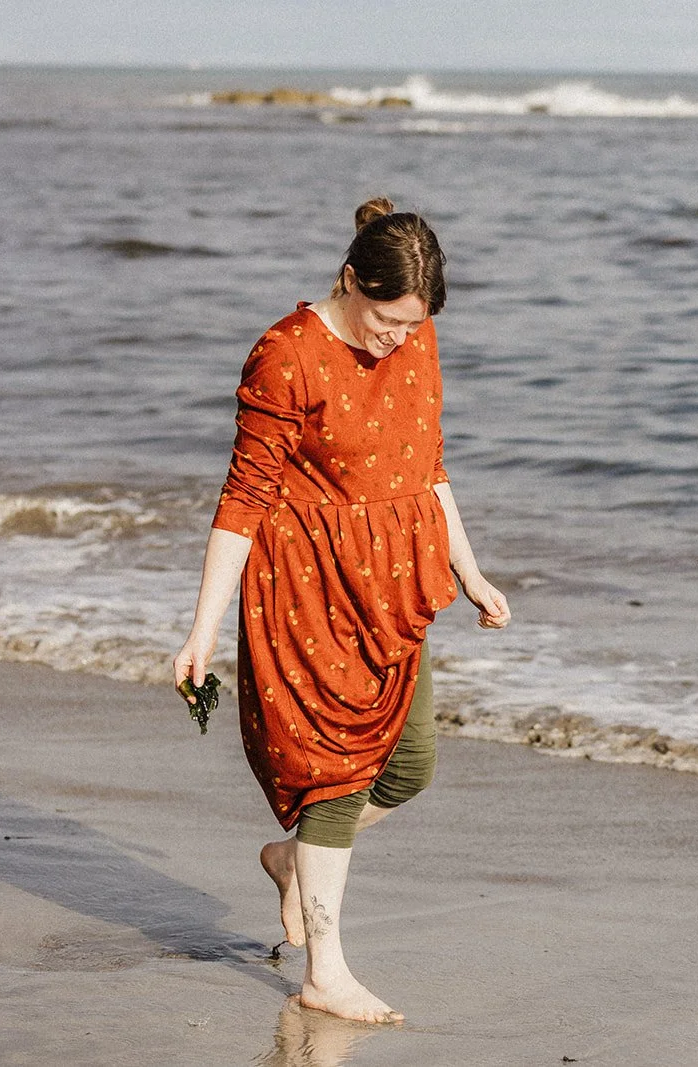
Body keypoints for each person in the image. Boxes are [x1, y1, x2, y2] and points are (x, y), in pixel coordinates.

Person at [173, 197, 510, 1024]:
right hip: (307, 590)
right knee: (334, 774)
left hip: (395, 583)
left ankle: (295, 861)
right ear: (350, 280)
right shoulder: (284, 356)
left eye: (413, 324)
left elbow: (427, 463)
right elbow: (244, 497)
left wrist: (469, 570)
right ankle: (326, 968)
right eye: (386, 319)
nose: (398, 338)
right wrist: (203, 626)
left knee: (410, 764)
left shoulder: (417, 338)